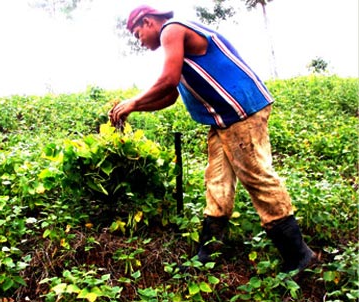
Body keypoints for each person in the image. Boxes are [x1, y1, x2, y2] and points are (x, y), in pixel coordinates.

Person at [109, 5, 316, 273]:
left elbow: (168, 81)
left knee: (257, 176)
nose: (139, 41)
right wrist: (134, 107)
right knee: (217, 181)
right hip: (223, 120)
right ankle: (207, 254)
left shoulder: (172, 30)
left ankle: (299, 255)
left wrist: (132, 101)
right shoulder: (175, 47)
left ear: (148, 22)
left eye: (138, 34)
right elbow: (170, 95)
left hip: (241, 112)